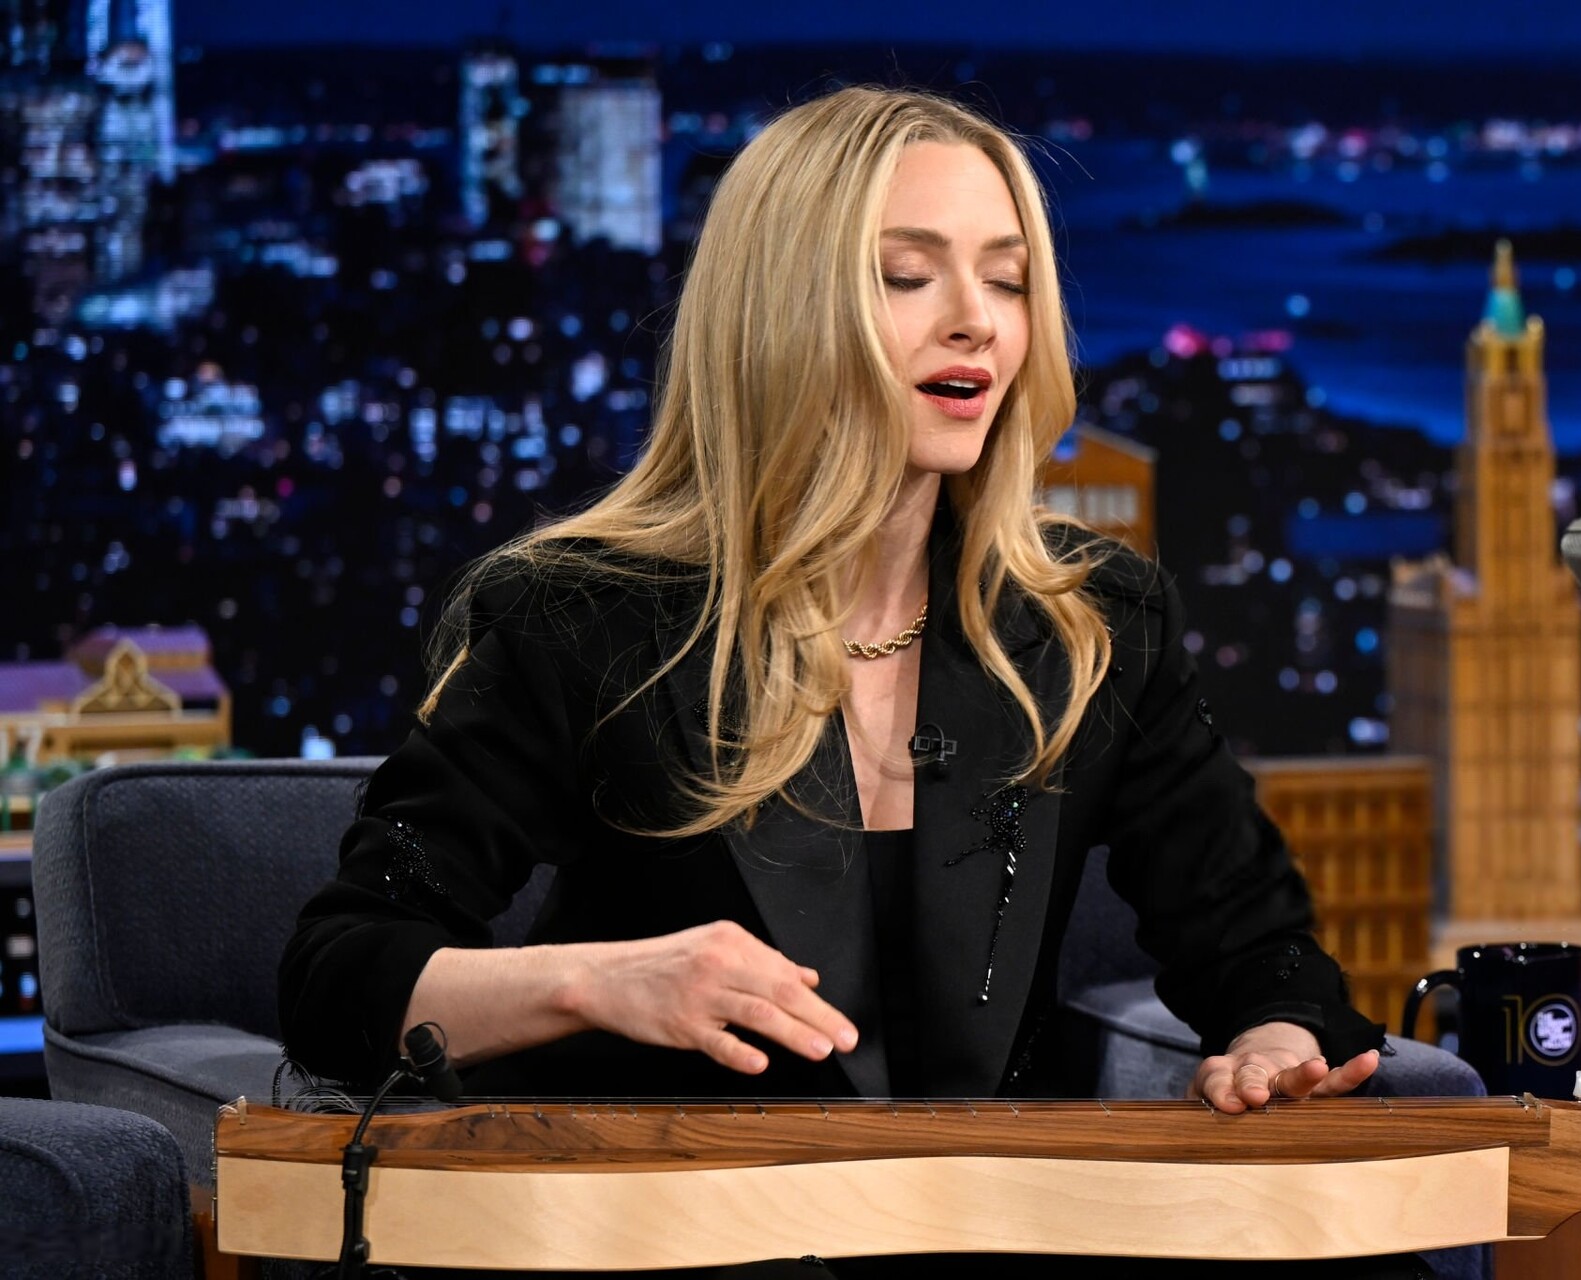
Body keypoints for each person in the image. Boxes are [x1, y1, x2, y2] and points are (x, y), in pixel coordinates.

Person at [280, 85, 1428, 1279]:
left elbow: (1256, 947)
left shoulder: (1091, 625)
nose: (976, 321)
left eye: (1008, 278)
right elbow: (338, 974)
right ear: (784, 310)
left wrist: (1271, 1040)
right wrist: (604, 979)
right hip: (684, 1241)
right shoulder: (580, 620)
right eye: (906, 275)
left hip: (980, 1236)